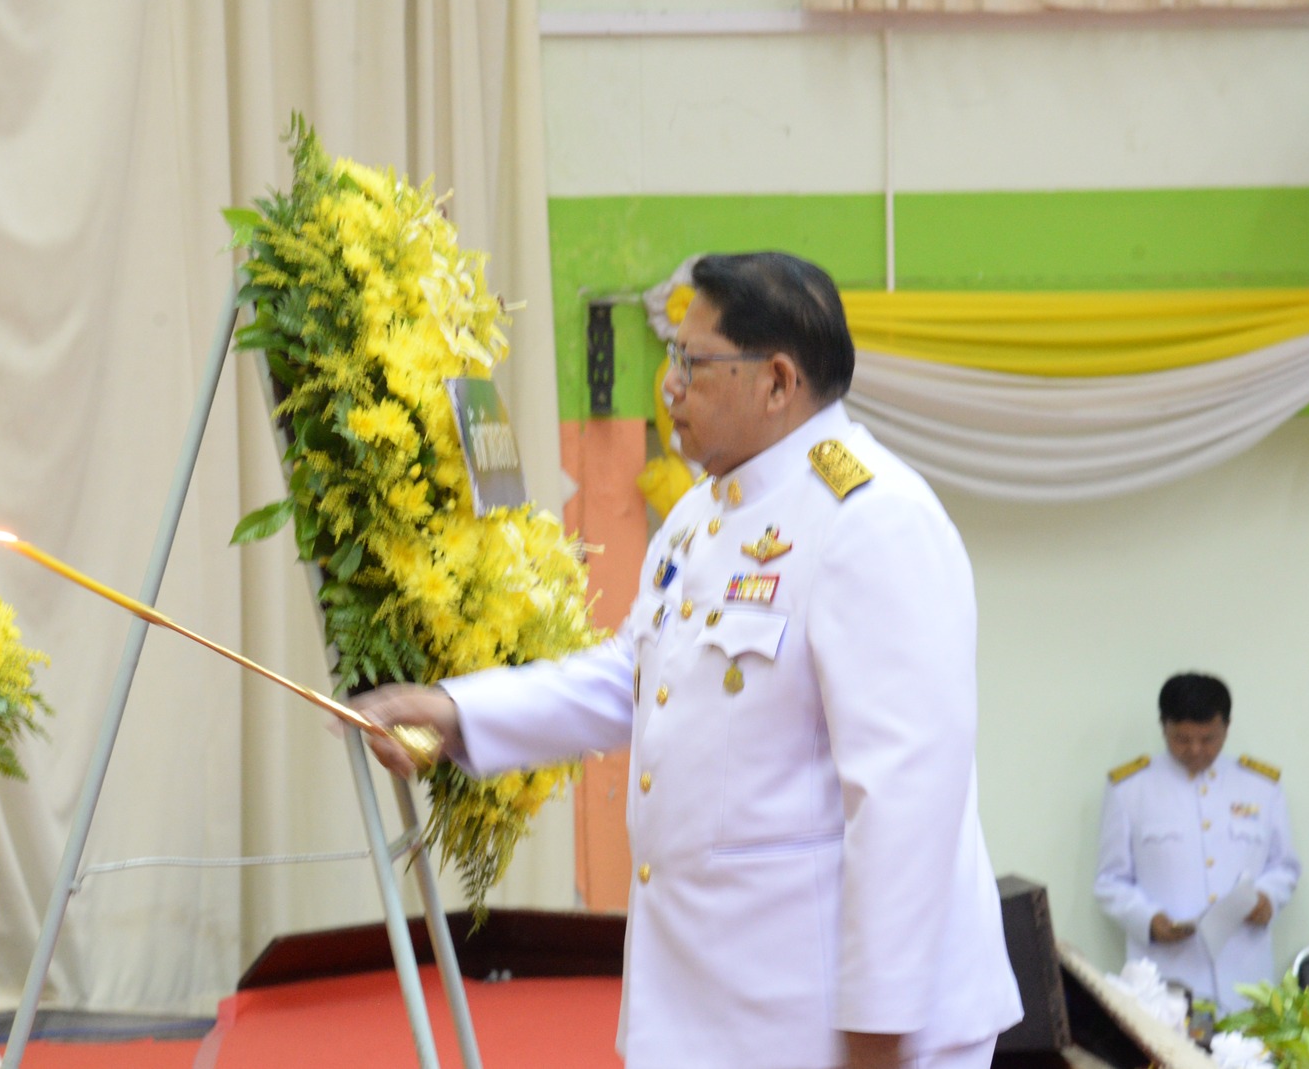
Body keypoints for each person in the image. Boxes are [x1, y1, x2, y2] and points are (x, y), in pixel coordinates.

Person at [353, 251, 1022, 1069]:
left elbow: (906, 796)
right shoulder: (703, 515)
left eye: (692, 363)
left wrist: (880, 1030)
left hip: (834, 1022)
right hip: (714, 1003)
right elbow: (631, 677)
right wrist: (458, 712)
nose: (669, 385)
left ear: (777, 381)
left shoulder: (872, 520)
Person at [1094, 672, 1300, 1013]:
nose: (1195, 750)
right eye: (1182, 739)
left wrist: (1269, 898)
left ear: (1227, 727)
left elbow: (1284, 867)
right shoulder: (1130, 789)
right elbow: (1110, 880)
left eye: (1208, 739)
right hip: (1166, 981)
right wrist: (1148, 920)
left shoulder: (1262, 786)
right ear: (1163, 727)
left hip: (1245, 976)